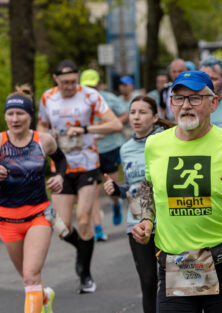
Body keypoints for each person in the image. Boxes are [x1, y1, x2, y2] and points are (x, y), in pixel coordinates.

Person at [132, 70, 222, 312]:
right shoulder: (155, 144)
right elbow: (149, 185)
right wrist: (147, 219)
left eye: (195, 98)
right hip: (174, 263)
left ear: (213, 103)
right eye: (179, 98)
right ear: (171, 104)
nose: (186, 105)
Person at [37, 59, 123, 293]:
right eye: (65, 82)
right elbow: (41, 126)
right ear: (56, 80)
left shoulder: (90, 96)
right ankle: (82, 248)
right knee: (61, 226)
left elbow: (114, 124)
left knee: (84, 220)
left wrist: (85, 130)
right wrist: (47, 139)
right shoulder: (48, 98)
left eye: (73, 81)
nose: (70, 86)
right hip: (61, 169)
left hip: (87, 165)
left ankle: (85, 273)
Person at [104, 96, 173, 313]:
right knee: (148, 281)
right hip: (137, 222)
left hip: (168, 220)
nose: (136, 117)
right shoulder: (125, 149)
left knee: (174, 280)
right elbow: (131, 188)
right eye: (132, 112)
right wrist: (117, 190)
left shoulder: (168, 141)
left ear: (154, 117)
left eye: (142, 112)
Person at [0, 85, 66, 313]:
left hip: (39, 215)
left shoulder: (43, 140)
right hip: (7, 220)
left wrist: (59, 175)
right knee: (29, 279)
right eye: (10, 114)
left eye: (20, 114)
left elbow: (61, 159)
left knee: (30, 276)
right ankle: (44, 297)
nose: (15, 119)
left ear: (30, 116)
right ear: (5, 116)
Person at [80, 69, 128, 240]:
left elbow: (124, 115)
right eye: (86, 86)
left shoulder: (108, 98)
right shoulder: (78, 101)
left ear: (99, 84)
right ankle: (98, 228)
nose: (90, 89)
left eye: (93, 86)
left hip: (108, 148)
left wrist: (107, 124)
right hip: (87, 150)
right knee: (92, 190)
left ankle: (116, 203)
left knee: (111, 187)